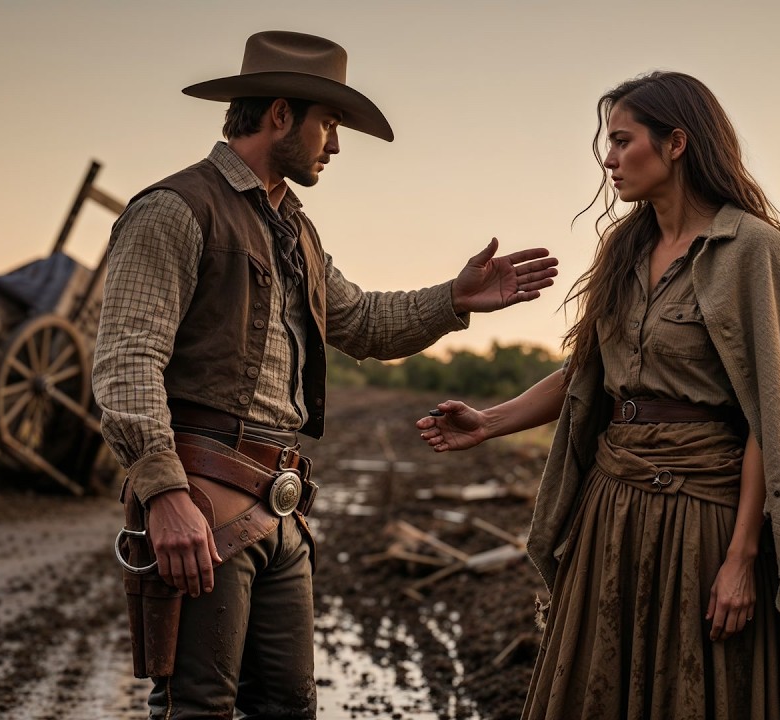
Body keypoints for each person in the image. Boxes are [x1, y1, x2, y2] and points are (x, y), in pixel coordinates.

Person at [92, 30, 558, 719]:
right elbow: (127, 363)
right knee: (198, 708)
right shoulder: (174, 209)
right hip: (202, 501)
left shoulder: (297, 232)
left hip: (281, 512)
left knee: (289, 708)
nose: (334, 145)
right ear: (281, 115)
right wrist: (164, 495)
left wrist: (455, 299)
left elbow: (363, 322)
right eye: (329, 125)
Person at [416, 71, 780, 719]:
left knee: (696, 690)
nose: (607, 159)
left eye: (621, 140)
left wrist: (742, 559)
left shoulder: (751, 251)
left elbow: (770, 422)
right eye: (606, 144)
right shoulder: (625, 250)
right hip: (613, 512)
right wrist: (488, 422)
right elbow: (587, 376)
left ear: (677, 144)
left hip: (706, 519)